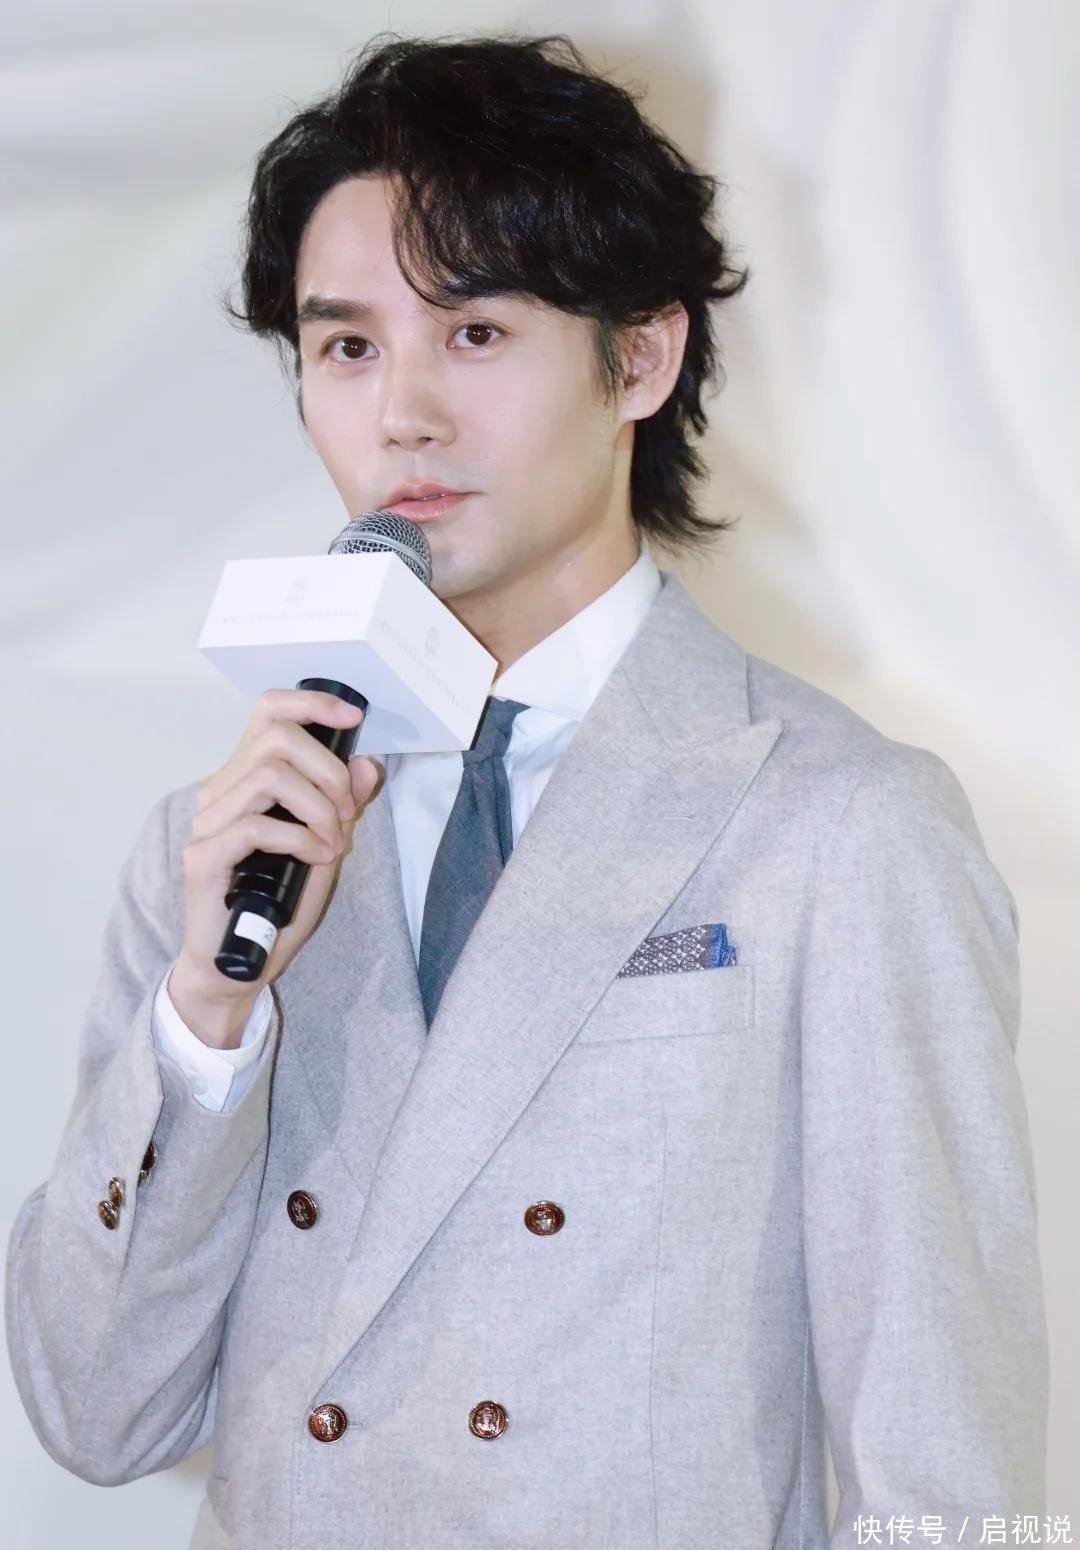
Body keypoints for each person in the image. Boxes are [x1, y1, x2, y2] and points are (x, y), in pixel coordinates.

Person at [4, 32, 1048, 1550]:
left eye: (476, 332)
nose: (403, 414)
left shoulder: (840, 827)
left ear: (644, 358)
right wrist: (206, 1016)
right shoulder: (228, 846)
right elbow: (96, 1414)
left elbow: (946, 1477)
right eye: (348, 348)